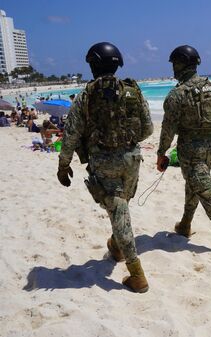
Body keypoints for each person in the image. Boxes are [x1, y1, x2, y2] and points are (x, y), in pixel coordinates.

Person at [57, 42, 154, 293]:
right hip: (132, 159)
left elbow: (71, 134)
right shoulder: (133, 91)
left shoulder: (85, 96)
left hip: (103, 161)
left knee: (118, 209)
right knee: (120, 205)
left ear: (92, 65)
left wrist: (63, 164)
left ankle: (137, 274)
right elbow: (148, 129)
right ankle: (116, 246)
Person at [157, 45, 211, 253]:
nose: (173, 69)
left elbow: (168, 129)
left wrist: (161, 153)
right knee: (194, 184)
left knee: (205, 190)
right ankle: (185, 224)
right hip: (210, 148)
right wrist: (208, 128)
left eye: (174, 64)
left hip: (191, 152)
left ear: (180, 64)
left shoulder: (178, 94)